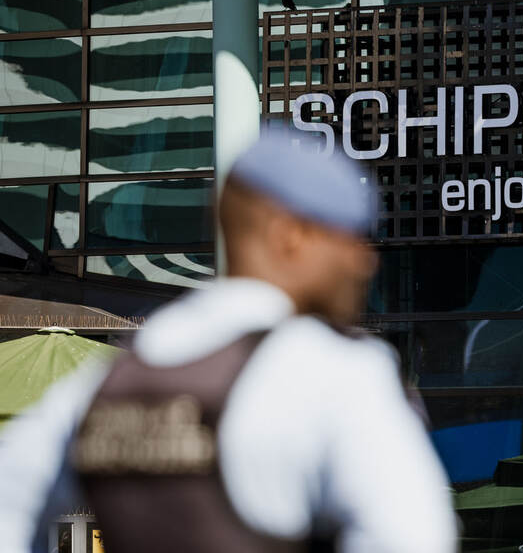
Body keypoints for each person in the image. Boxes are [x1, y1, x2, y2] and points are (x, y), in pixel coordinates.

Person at [0, 130, 458, 553]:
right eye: (350, 238)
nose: (365, 263)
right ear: (291, 236)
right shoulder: (333, 372)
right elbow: (413, 539)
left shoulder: (103, 386)